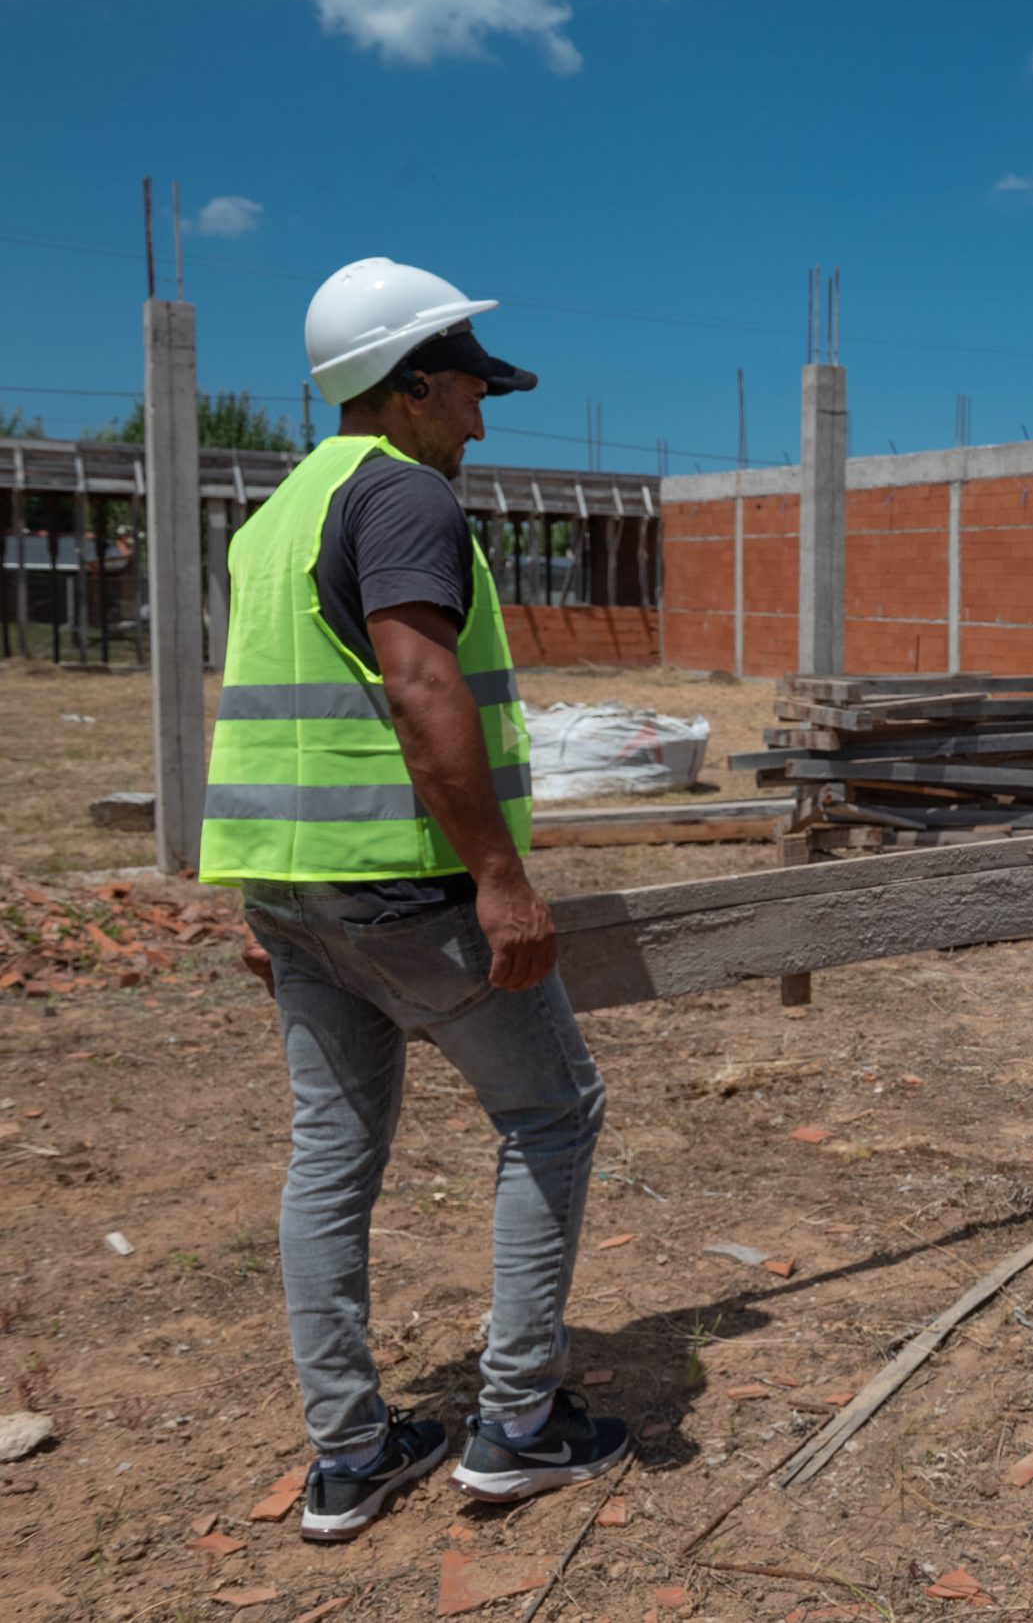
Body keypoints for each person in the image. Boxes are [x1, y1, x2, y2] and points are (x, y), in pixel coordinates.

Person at [200, 258, 627, 1542]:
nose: (482, 418)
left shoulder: (276, 515)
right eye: (468, 390)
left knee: (331, 1152)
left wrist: (265, 901)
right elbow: (419, 688)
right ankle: (517, 1424)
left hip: (293, 891)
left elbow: (272, 715)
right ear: (411, 385)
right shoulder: (404, 498)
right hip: (405, 889)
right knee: (553, 1109)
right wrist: (501, 880)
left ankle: (348, 1452)